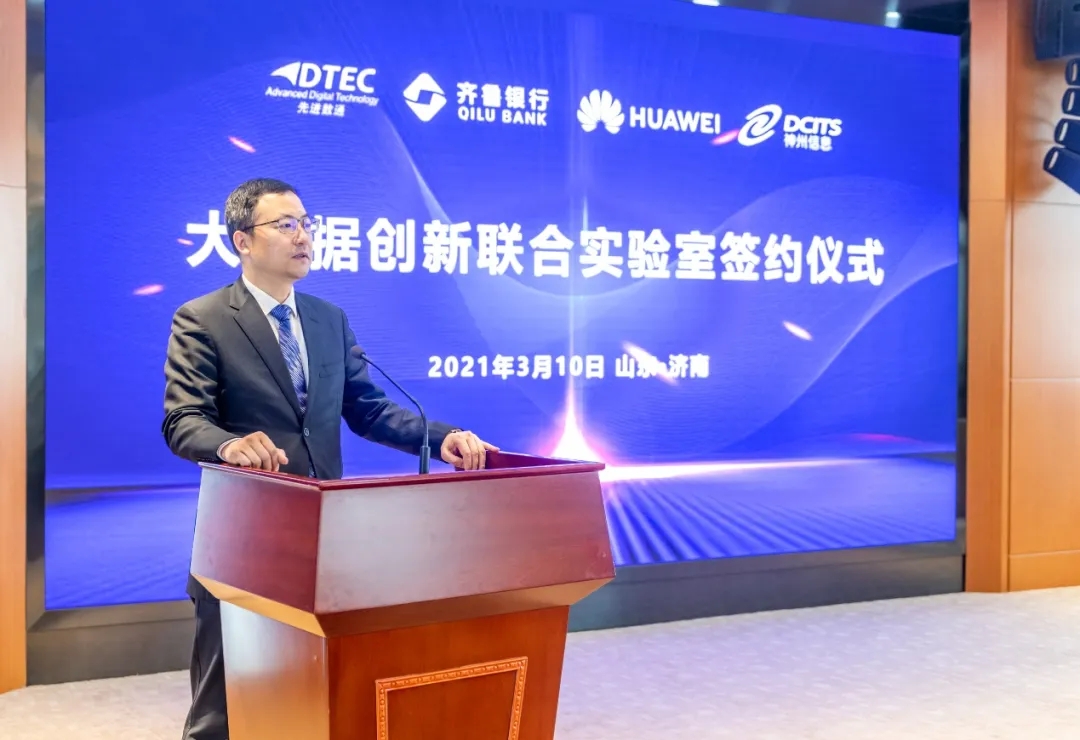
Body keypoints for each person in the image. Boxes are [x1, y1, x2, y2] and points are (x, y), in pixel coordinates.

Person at [162, 177, 497, 740]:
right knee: (223, 707)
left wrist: (440, 438)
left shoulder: (327, 320)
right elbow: (183, 418)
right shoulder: (204, 318)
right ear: (243, 241)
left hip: (323, 536)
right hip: (243, 535)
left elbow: (368, 410)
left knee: (315, 692)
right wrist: (228, 444)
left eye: (306, 224)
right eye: (285, 225)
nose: (303, 236)